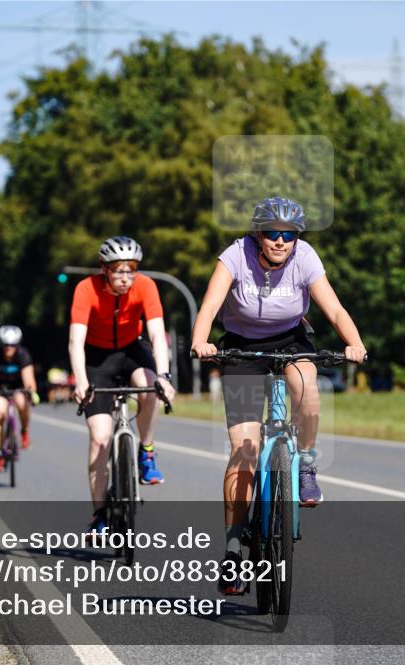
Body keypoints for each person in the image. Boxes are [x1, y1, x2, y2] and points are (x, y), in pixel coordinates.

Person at [190, 196, 367, 594]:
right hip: (240, 347)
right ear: (258, 234)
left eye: (289, 235)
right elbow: (210, 304)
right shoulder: (234, 256)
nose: (281, 242)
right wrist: (201, 342)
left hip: (291, 340)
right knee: (245, 452)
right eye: (273, 234)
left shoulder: (305, 258)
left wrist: (354, 344)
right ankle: (234, 547)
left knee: (306, 386)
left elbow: (335, 310)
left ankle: (304, 463)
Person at [69, 236, 176, 535]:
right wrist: (81, 381)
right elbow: (76, 340)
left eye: (131, 269)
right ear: (104, 268)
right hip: (96, 359)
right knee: (100, 439)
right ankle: (100, 514)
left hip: (131, 350)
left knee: (150, 384)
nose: (126, 277)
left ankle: (147, 451)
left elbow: (156, 335)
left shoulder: (146, 286)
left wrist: (165, 376)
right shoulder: (85, 289)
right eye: (119, 270)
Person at [0, 325, 39, 472]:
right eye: (6, 345)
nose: (9, 348)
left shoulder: (23, 355)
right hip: (1, 389)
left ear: (17, 345)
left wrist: (31, 392)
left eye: (12, 345)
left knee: (21, 402)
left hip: (18, 388)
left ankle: (24, 430)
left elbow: (29, 379)